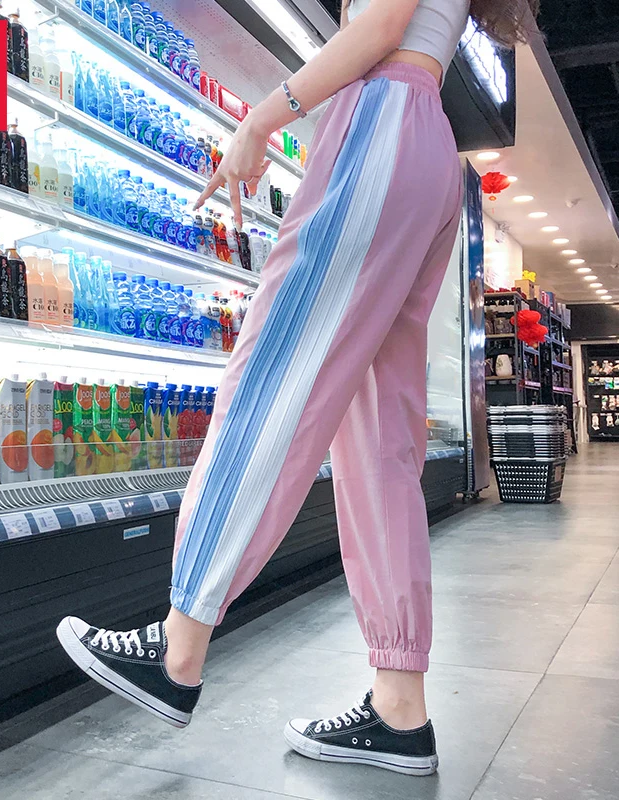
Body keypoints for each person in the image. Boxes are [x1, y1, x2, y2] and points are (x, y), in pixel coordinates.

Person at [57, 0, 539, 777]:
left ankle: (179, 645)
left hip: (380, 123)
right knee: (379, 444)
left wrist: (261, 119)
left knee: (272, 378)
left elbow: (378, 28)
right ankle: (400, 706)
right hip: (421, 142)